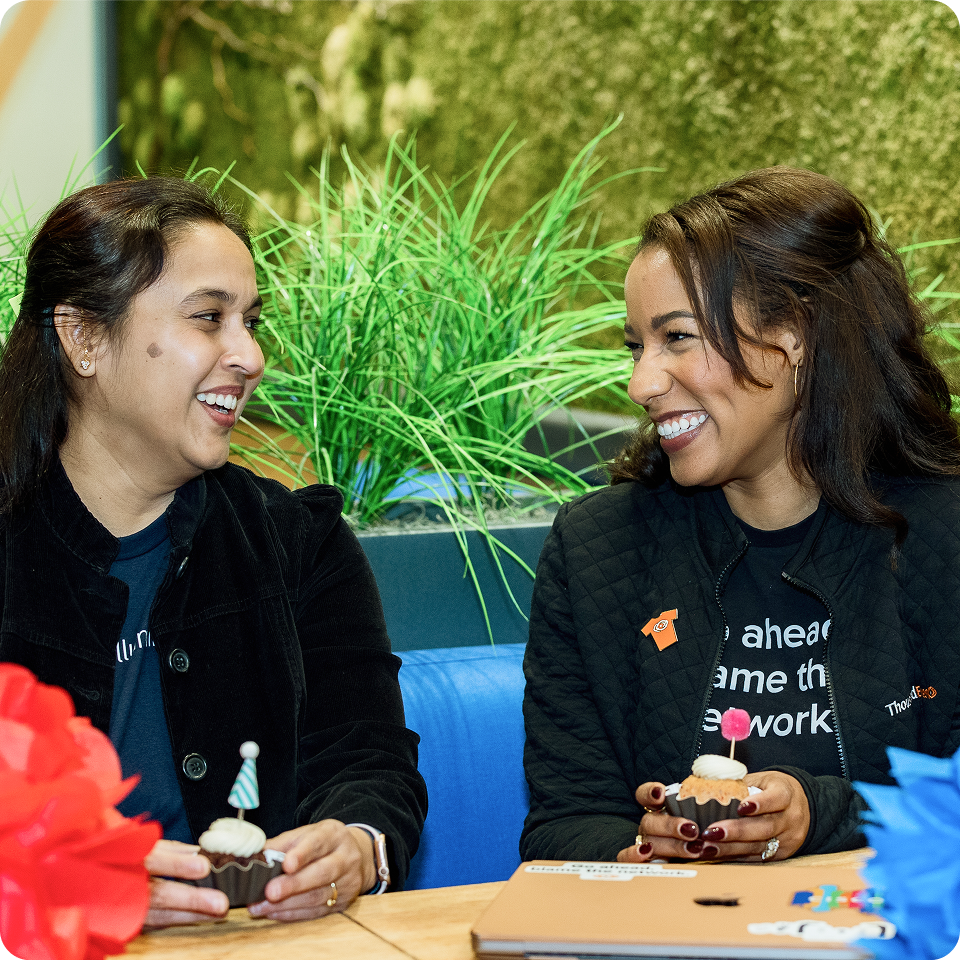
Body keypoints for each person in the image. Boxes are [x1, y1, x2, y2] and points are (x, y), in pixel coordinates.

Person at [0, 177, 427, 926]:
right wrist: (54, 879)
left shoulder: (301, 544)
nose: (250, 354)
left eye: (251, 320)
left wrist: (356, 843)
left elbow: (370, 762)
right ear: (84, 337)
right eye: (210, 318)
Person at [521, 167, 960, 865]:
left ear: (798, 337)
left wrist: (820, 813)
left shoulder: (944, 536)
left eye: (678, 338)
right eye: (636, 346)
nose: (642, 383)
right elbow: (563, 822)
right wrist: (646, 849)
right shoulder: (596, 550)